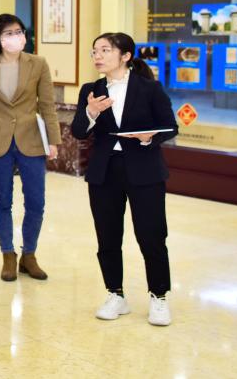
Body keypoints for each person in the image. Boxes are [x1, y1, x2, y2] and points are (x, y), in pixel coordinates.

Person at [71, 32, 178, 326]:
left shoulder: (149, 88)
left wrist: (149, 137)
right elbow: (79, 131)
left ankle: (159, 296)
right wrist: (91, 112)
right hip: (104, 171)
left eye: (105, 50)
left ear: (126, 55)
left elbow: (170, 126)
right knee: (107, 236)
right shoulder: (92, 90)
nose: (98, 56)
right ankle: (115, 294)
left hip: (145, 169)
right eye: (95, 51)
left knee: (152, 235)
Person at [0, 14, 60, 282]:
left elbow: (47, 105)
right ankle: (8, 254)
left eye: (19, 32)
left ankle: (29, 255)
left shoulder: (38, 63)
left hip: (31, 139)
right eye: (8, 33)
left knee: (36, 201)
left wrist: (53, 140)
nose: (16, 37)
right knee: (2, 200)